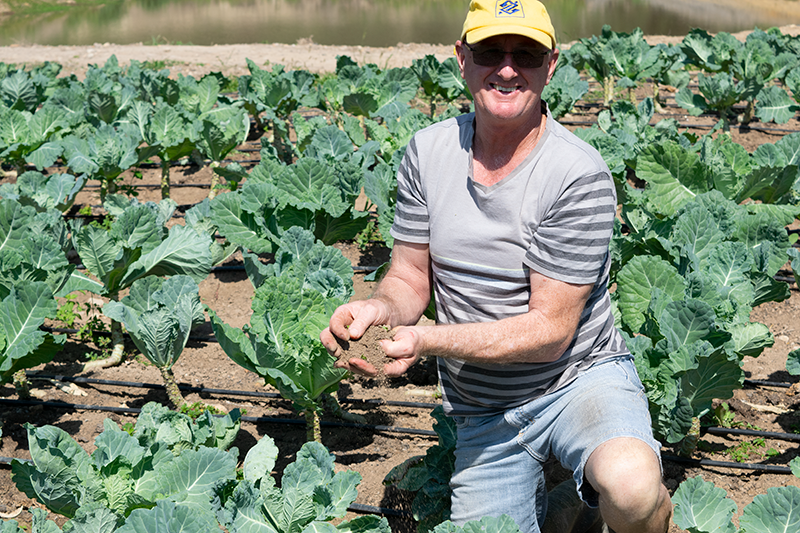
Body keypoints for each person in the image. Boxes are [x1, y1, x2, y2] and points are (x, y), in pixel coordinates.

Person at [320, 1, 673, 532]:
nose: (507, 68)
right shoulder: (427, 151)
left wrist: (427, 340)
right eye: (490, 51)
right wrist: (379, 308)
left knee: (632, 486)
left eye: (526, 53)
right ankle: (567, 501)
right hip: (484, 408)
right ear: (462, 58)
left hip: (577, 381)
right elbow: (410, 278)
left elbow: (551, 332)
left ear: (550, 65)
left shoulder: (576, 173)